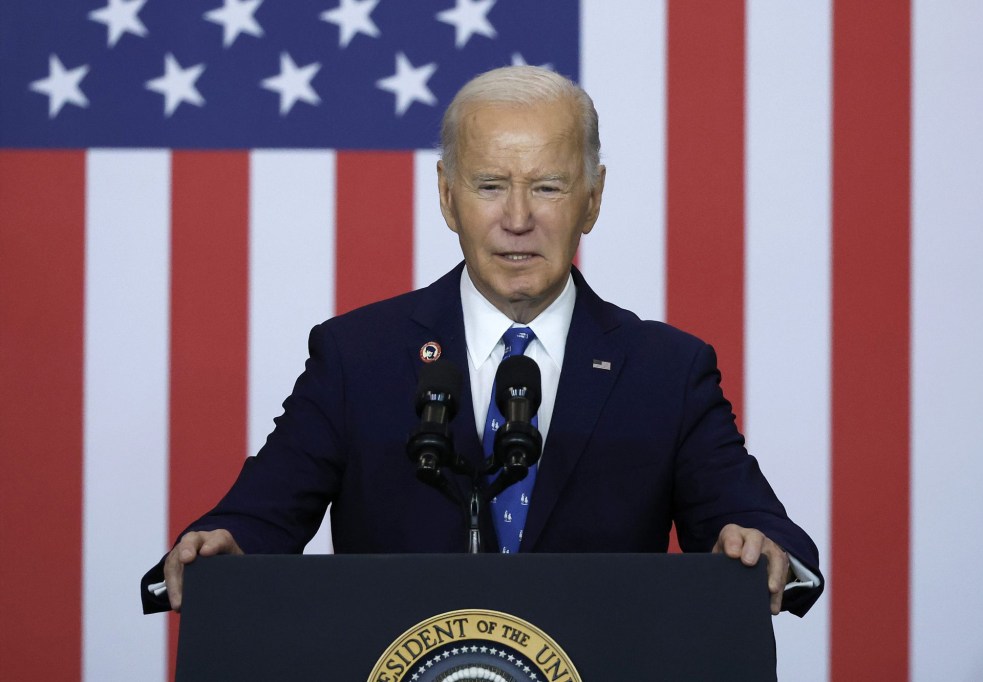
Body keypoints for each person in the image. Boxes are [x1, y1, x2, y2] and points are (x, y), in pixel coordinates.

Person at [141, 65, 823, 618]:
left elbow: (757, 529)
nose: (517, 219)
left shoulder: (666, 371)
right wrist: (224, 547)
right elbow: (257, 518)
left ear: (593, 197)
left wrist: (763, 549)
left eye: (548, 187)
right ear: (446, 197)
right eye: (490, 185)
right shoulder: (359, 357)